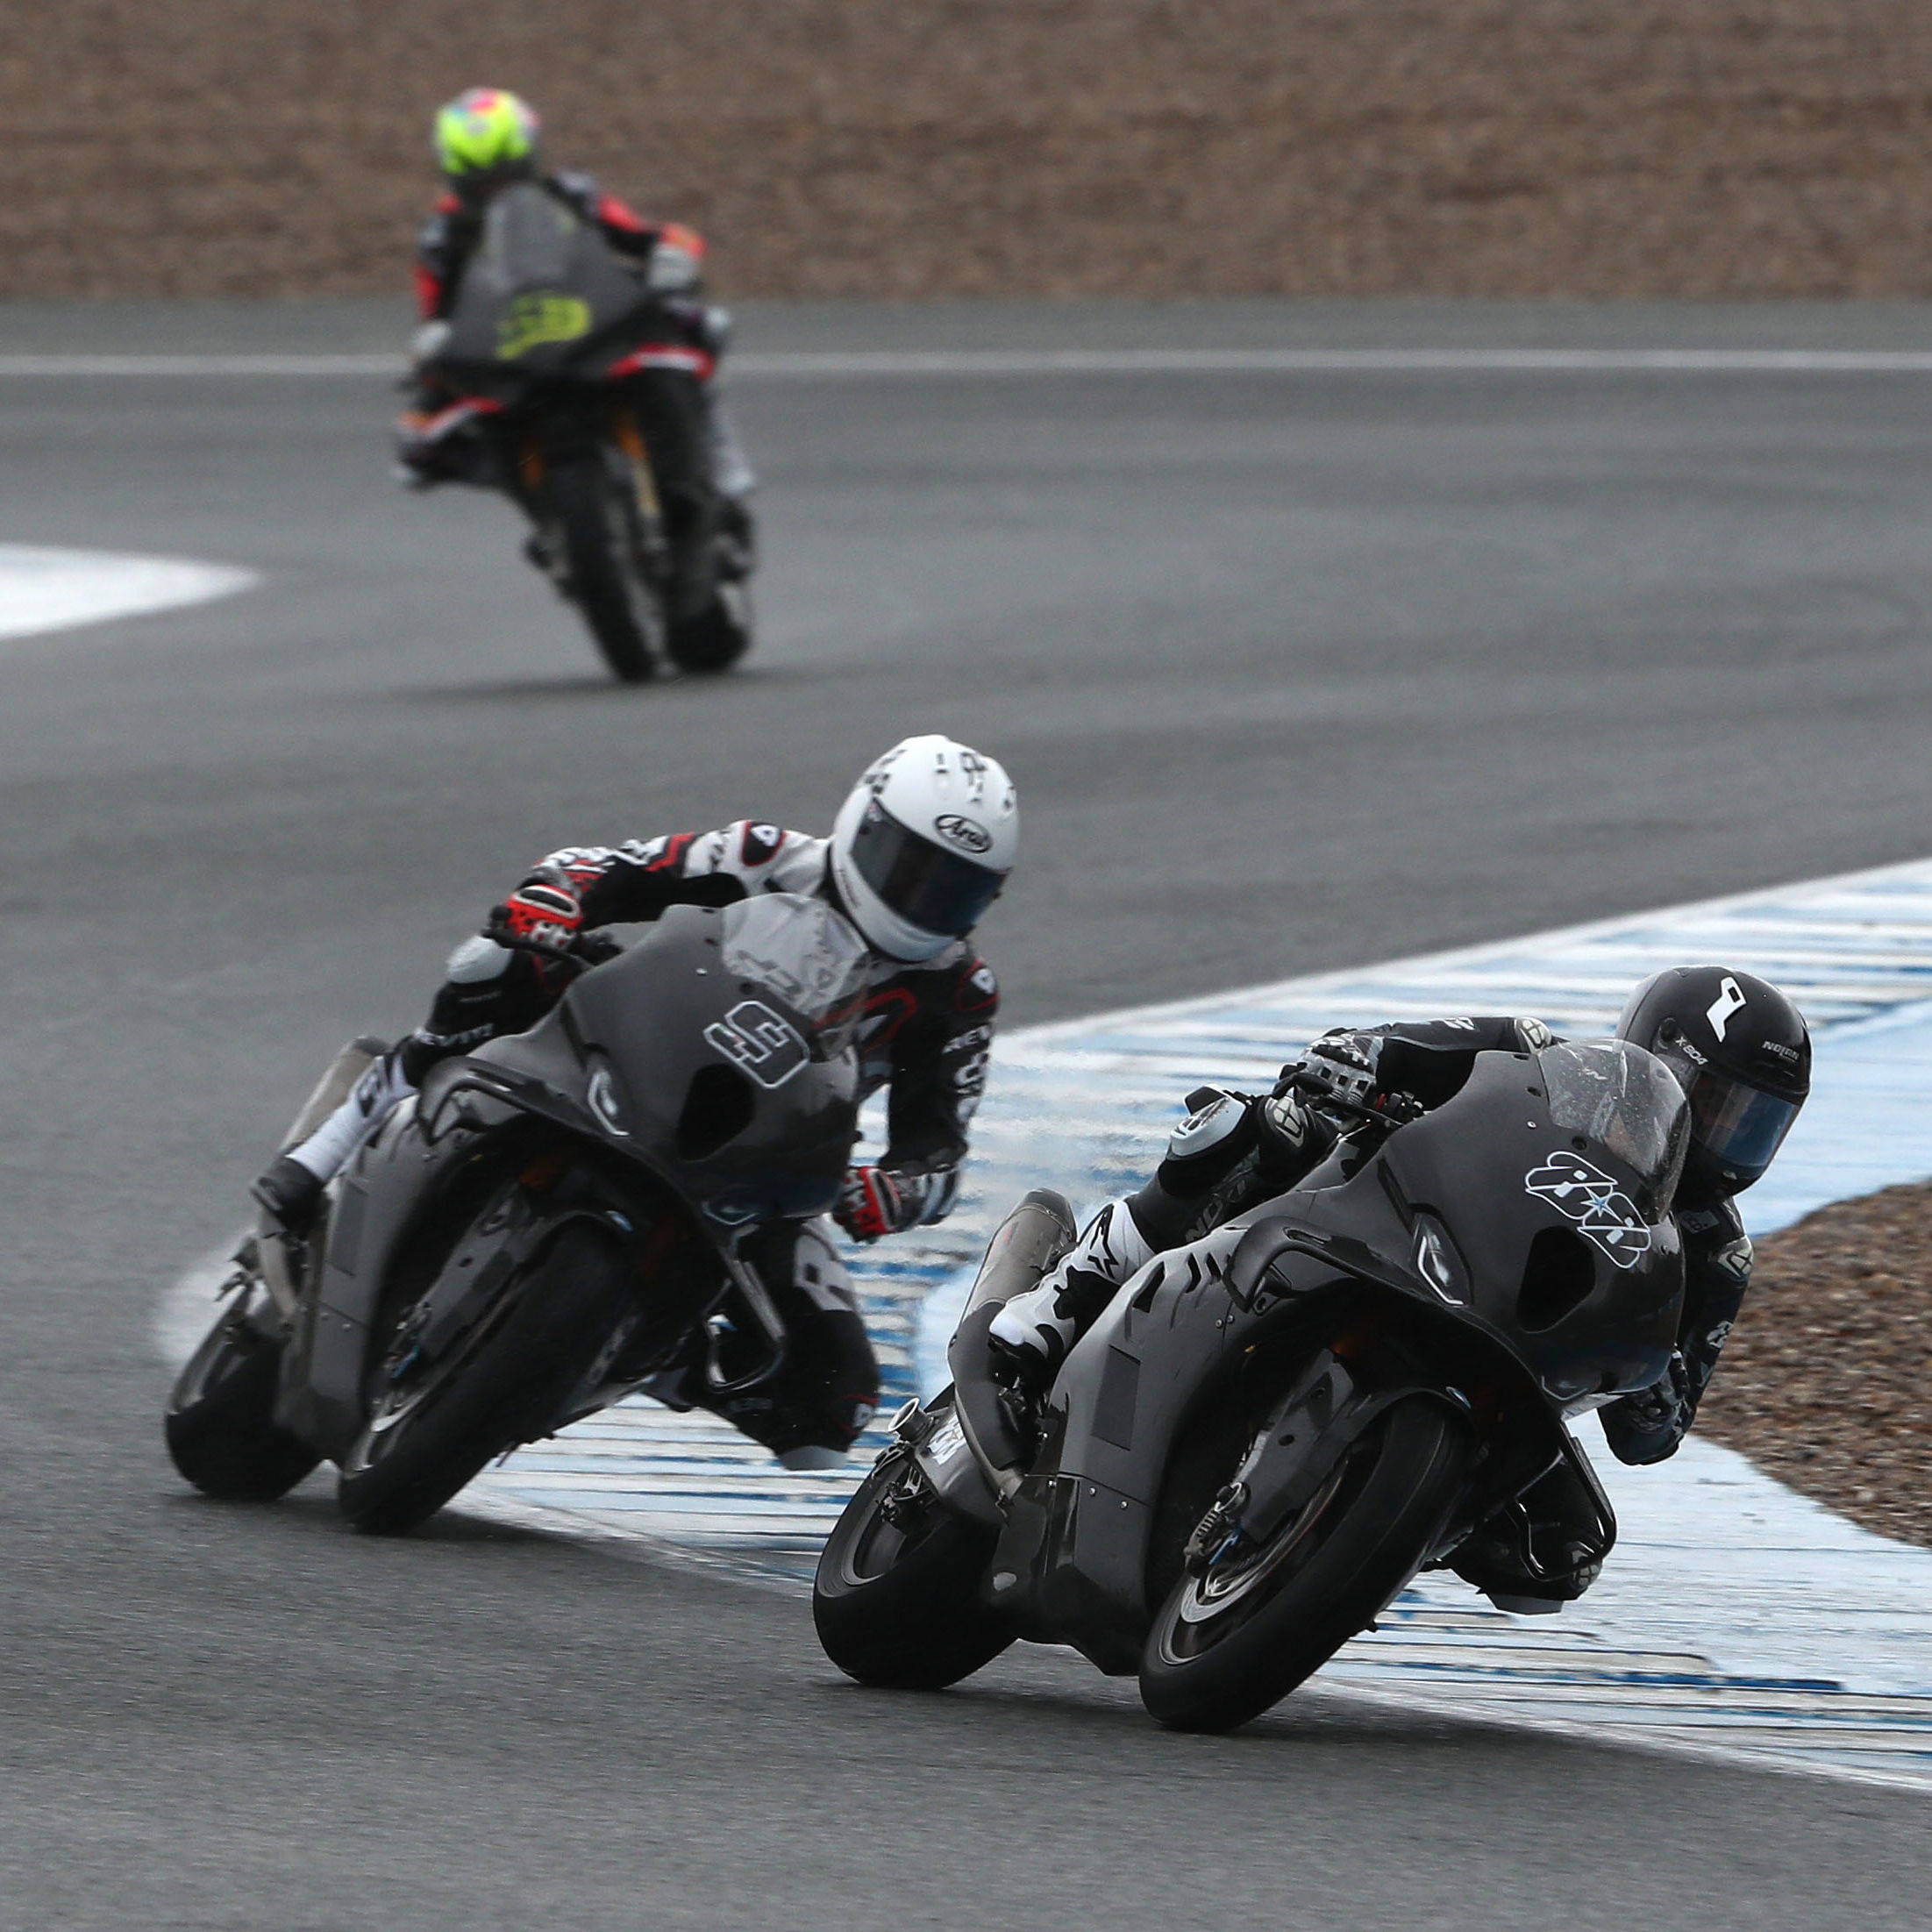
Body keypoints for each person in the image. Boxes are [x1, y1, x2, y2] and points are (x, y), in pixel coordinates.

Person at [253, 735, 1017, 1470]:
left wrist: (893, 1192)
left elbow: (940, 1155)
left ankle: (643, 1352)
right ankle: (332, 1145)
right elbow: (609, 866)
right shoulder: (766, 856)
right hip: (628, 1045)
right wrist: (555, 898)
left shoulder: (957, 992)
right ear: (862, 825)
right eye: (909, 869)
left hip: (756, 1159)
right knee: (492, 964)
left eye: (953, 888)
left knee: (834, 1402)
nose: (923, 901)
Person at [988, 966, 1810, 1608]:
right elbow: (1360, 1047)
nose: (1721, 1137)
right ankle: (1058, 1304)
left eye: (1752, 1121)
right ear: (1654, 1050)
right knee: (1251, 1130)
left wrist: (1650, 1374)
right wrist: (1356, 1072)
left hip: (1508, 1366)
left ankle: (1348, 1539)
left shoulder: (1714, 1253)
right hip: (1376, 1224)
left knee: (1563, 1552)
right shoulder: (1537, 1057)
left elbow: (1650, 1434)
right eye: (1712, 1101)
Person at [398, 87, 755, 593]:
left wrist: (671, 254)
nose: (496, 192)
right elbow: (436, 311)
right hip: (512, 352)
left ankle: (720, 479)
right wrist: (432, 345)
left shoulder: (575, 195)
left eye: (506, 175)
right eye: (480, 182)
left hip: (595, 323)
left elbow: (644, 236)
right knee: (428, 435)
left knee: (689, 336)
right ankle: (545, 517)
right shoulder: (442, 234)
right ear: (455, 177)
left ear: (529, 159)